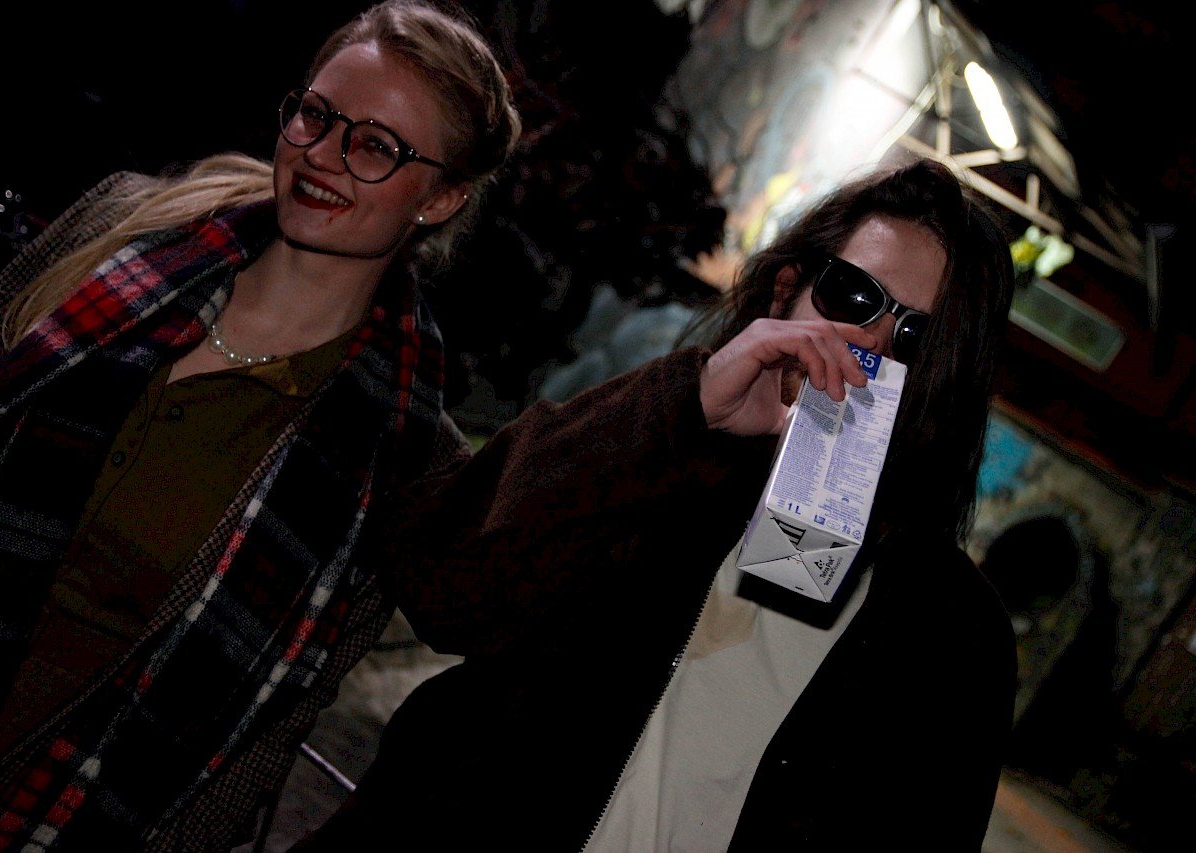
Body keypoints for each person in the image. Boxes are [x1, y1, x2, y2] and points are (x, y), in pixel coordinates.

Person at [0, 1, 521, 849]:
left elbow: (269, 731)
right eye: (317, 115)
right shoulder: (126, 234)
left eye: (377, 146)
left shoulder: (402, 460)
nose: (323, 155)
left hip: (60, 812)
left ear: (443, 196)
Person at [293, 157, 1020, 851]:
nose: (868, 344)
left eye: (917, 337)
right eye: (853, 296)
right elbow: (444, 584)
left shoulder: (952, 633)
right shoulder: (657, 448)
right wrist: (683, 410)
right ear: (786, 294)